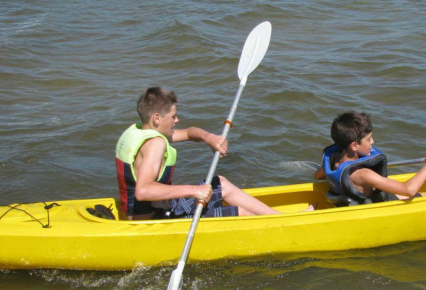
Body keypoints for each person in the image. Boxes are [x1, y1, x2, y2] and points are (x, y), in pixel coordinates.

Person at [116, 87, 313, 220]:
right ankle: (281, 227)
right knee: (240, 213)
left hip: (157, 209)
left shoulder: (139, 131)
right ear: (157, 118)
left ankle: (278, 218)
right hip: (155, 221)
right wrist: (193, 190)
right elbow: (143, 191)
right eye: (173, 116)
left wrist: (208, 137)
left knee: (220, 182)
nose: (177, 120)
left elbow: (189, 132)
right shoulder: (155, 143)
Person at [314, 111, 426, 206]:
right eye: (368, 139)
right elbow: (409, 190)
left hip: (354, 201)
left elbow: (318, 175)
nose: (373, 142)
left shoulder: (333, 160)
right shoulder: (362, 174)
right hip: (383, 203)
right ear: (354, 145)